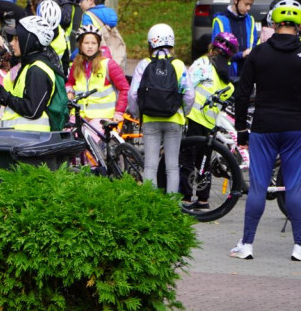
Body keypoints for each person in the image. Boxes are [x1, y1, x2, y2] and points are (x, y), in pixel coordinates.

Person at [230, 0, 301, 261]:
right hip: (296, 128)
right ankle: (299, 247)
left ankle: (247, 244)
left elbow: (242, 93)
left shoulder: (259, 53)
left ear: (273, 23)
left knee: (258, 186)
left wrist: (240, 128)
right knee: (295, 187)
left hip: (263, 127)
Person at [127, 23, 194, 197]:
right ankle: (172, 207)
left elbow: (133, 94)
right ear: (172, 44)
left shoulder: (143, 64)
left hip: (150, 120)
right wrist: (183, 112)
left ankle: (151, 206)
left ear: (150, 43)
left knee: (150, 165)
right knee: (172, 166)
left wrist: (136, 113)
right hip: (174, 119)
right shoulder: (179, 65)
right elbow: (189, 95)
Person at [184, 32, 238, 209]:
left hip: (194, 116)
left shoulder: (203, 63)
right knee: (203, 160)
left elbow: (187, 84)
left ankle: (185, 197)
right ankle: (203, 199)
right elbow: (229, 91)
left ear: (212, 47)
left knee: (186, 158)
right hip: (210, 121)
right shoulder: (224, 72)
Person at [0, 16, 64, 132]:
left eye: (17, 39)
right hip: (21, 138)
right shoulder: (28, 66)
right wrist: (1, 94)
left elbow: (32, 110)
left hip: (31, 139)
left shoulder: (37, 70)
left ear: (30, 41)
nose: (12, 43)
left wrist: (6, 97)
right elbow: (20, 100)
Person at [66, 24, 130, 129]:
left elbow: (124, 88)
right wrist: (69, 91)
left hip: (102, 117)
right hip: (79, 115)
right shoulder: (76, 65)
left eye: (93, 43)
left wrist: (118, 112)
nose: (90, 46)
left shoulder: (108, 64)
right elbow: (70, 83)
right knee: (70, 139)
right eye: (86, 43)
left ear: (98, 45)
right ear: (80, 45)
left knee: (91, 140)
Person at [211, 0, 260, 80]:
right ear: (236, 0)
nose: (248, 8)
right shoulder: (220, 21)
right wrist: (241, 55)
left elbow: (254, 43)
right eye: (246, 4)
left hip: (247, 72)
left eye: (251, 5)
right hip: (228, 72)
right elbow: (216, 52)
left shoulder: (250, 20)